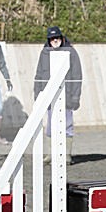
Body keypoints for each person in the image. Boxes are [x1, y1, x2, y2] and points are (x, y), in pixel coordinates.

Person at [33, 26, 82, 164]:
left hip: (66, 94)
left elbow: (77, 75)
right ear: (49, 40)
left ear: (61, 38)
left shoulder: (71, 52)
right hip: (48, 94)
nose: (55, 40)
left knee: (67, 124)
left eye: (57, 38)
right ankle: (50, 154)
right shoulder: (44, 53)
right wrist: (37, 94)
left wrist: (75, 97)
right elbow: (39, 74)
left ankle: (66, 155)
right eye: (52, 39)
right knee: (49, 126)